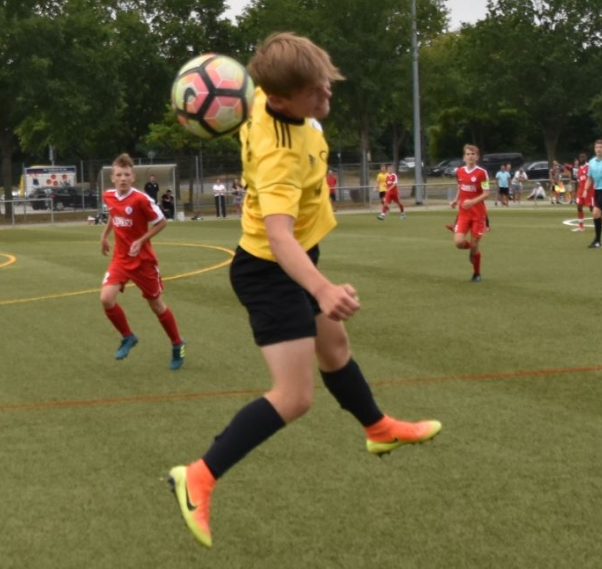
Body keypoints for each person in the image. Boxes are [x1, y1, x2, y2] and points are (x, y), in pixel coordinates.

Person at [166, 32, 440, 549]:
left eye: (325, 83)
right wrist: (322, 288)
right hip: (270, 270)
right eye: (314, 92)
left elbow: (254, 80)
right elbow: (278, 237)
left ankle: (377, 428)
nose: (326, 95)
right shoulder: (279, 157)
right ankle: (198, 476)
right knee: (294, 397)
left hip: (295, 259)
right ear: (280, 99)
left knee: (335, 350)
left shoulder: (262, 99)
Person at [99, 154, 185, 368]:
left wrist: (141, 240)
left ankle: (177, 343)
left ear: (133, 177)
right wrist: (104, 235)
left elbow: (161, 222)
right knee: (106, 298)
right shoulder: (108, 196)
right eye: (119, 175)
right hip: (120, 259)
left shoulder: (141, 199)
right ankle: (128, 336)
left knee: (156, 305)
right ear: (112, 178)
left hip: (143, 261)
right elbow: (113, 214)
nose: (123, 178)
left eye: (126, 175)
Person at [451, 144, 490, 282]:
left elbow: (486, 193)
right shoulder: (459, 172)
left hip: (478, 215)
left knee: (475, 244)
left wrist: (472, 201)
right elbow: (460, 187)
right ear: (464, 157)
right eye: (468, 154)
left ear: (477, 157)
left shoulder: (482, 173)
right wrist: (455, 200)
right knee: (458, 242)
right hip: (463, 214)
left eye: (473, 154)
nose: (470, 156)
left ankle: (476, 273)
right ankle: (472, 249)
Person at [572, 152, 591, 232]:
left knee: (592, 208)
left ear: (586, 158)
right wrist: (576, 192)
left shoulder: (589, 167)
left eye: (583, 157)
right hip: (580, 191)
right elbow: (578, 181)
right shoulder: (579, 168)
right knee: (579, 207)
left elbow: (591, 179)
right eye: (580, 157)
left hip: (588, 191)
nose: (581, 159)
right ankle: (581, 226)